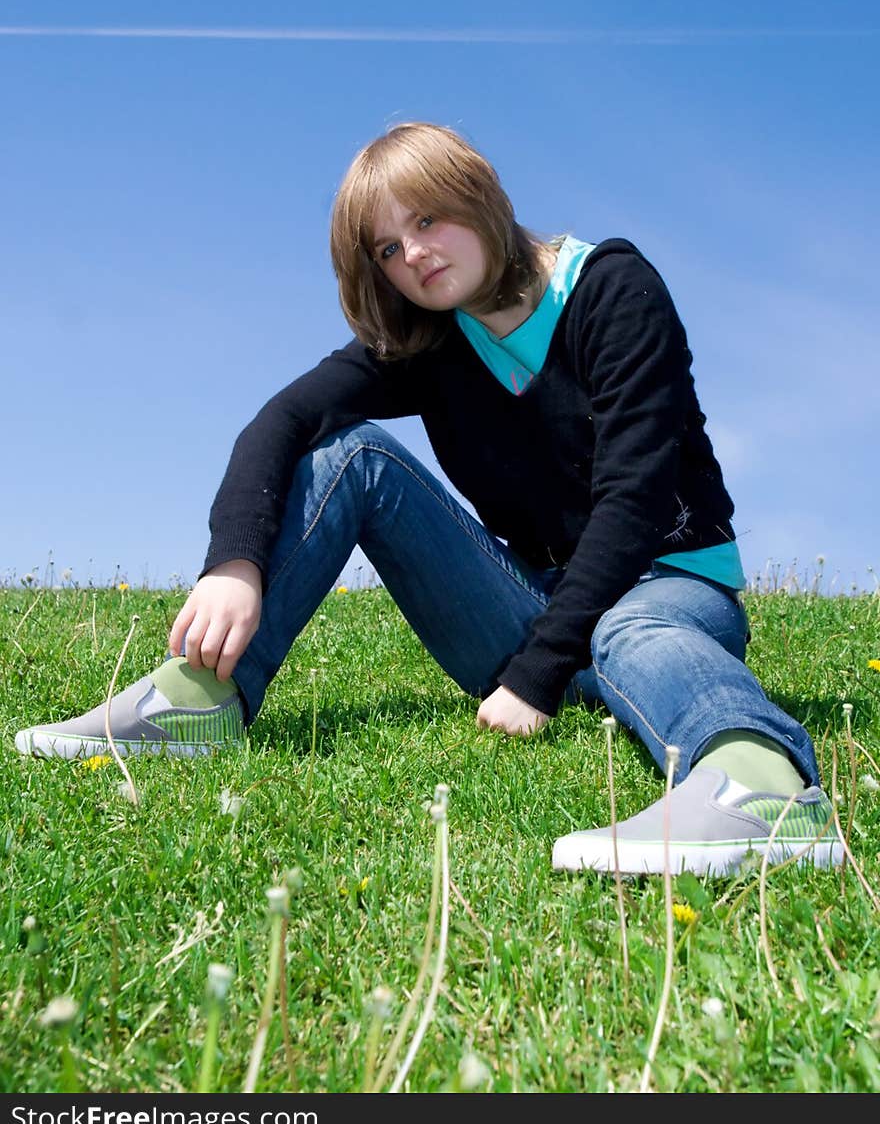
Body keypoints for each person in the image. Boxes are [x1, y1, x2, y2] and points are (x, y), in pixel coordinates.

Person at [16, 122, 841, 877]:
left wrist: (538, 675)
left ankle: (761, 784)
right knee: (354, 454)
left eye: (427, 221)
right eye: (385, 249)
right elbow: (283, 418)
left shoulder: (611, 290)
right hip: (531, 606)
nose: (412, 255)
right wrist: (233, 562)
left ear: (477, 196)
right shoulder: (433, 337)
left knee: (631, 626)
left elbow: (634, 496)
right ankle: (200, 700)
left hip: (666, 586)